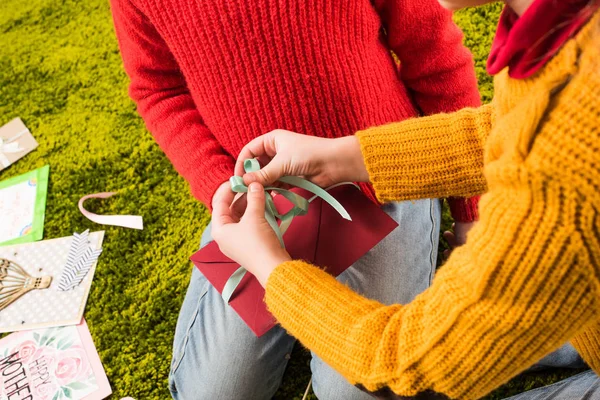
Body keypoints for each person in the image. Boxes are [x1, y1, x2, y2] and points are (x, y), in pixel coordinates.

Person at [211, 0, 600, 398]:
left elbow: (404, 362)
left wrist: (271, 268)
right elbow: (512, 127)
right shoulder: (574, 34)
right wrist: (342, 157)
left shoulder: (570, 184)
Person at [109, 0, 484, 398]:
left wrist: (471, 210)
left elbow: (433, 51)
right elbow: (158, 88)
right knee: (214, 393)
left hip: (381, 175)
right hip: (258, 203)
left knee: (360, 390)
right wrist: (220, 184)